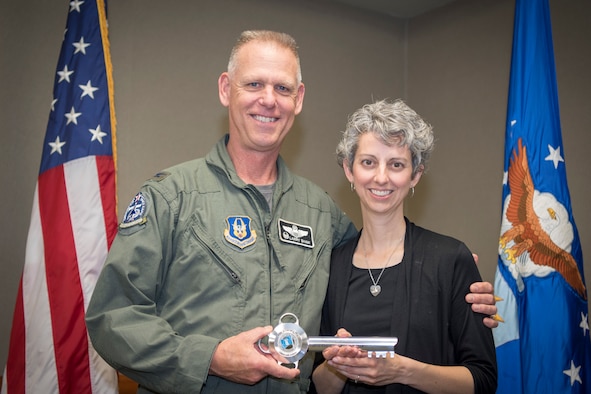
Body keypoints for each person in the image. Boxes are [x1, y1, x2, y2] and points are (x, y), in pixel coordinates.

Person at [85, 31, 497, 394]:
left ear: (298, 99)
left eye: (283, 88)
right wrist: (209, 357)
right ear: (226, 89)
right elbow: (112, 318)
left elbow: (377, 265)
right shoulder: (170, 197)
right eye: (254, 84)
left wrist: (456, 286)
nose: (269, 100)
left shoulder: (322, 213)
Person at [311, 99, 497, 394]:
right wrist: (338, 365)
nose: (381, 177)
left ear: (415, 175)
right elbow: (317, 387)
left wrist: (401, 371)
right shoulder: (330, 266)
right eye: (368, 162)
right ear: (349, 170)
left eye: (396, 164)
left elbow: (483, 380)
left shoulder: (450, 260)